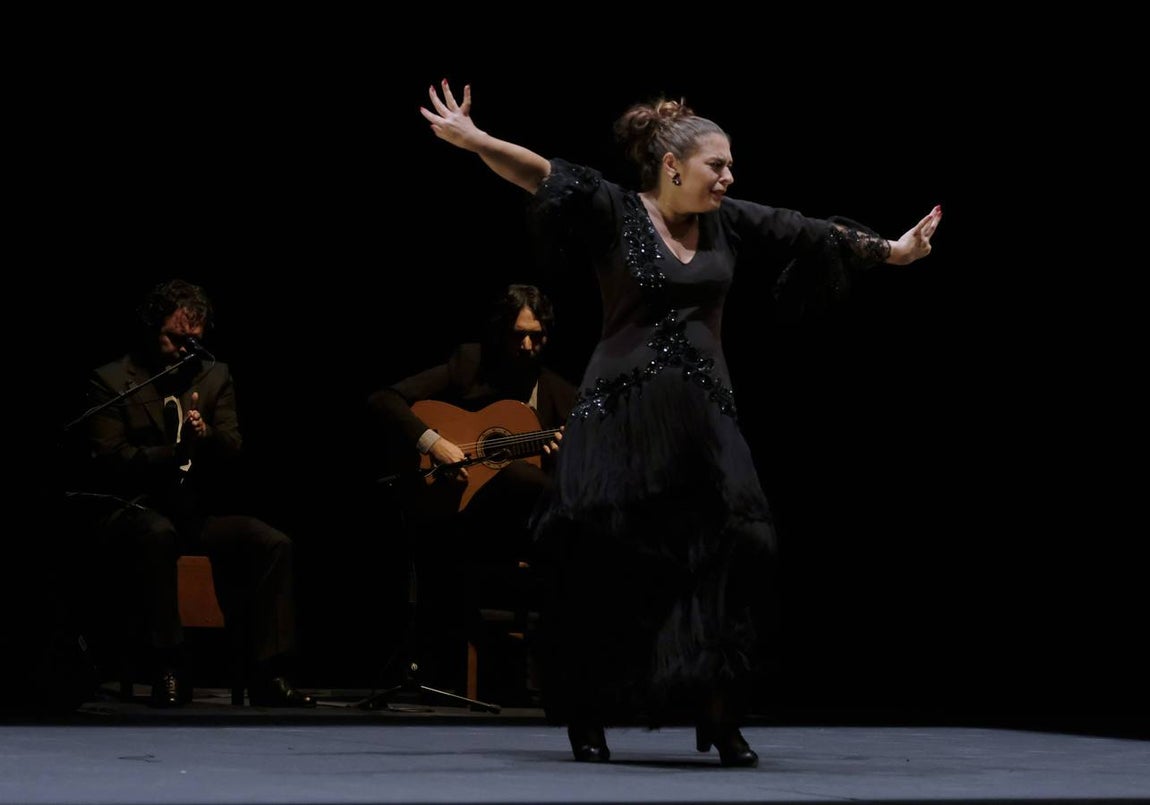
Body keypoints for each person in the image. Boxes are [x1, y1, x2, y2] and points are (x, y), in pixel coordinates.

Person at [418, 80, 943, 765]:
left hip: (704, 415)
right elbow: (540, 173)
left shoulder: (729, 222)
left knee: (741, 542)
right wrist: (474, 139)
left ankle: (719, 712)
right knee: (604, 556)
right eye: (716, 165)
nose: (729, 176)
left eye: (730, 165)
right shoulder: (614, 209)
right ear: (672, 165)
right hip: (620, 411)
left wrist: (893, 251)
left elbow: (809, 229)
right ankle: (588, 713)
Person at [69, 278, 315, 708]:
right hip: (135, 509)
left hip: (193, 513)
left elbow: (233, 445)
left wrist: (207, 436)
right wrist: (173, 453)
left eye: (194, 341)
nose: (185, 350)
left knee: (272, 542)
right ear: (151, 328)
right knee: (157, 534)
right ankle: (169, 667)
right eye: (175, 339)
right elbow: (111, 458)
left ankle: (268, 674)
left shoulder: (214, 375)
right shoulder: (112, 380)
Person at [366, 283, 576, 698]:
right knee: (520, 476)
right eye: (519, 335)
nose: (528, 346)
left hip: (522, 532)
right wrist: (434, 443)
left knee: (538, 485)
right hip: (458, 518)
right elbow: (383, 399)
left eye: (537, 336)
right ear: (501, 333)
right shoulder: (470, 363)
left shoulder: (562, 395)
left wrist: (565, 456)